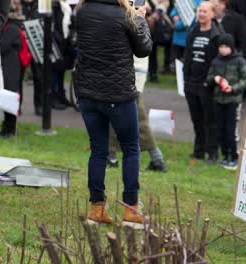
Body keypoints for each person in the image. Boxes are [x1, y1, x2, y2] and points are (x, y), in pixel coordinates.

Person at [74, 0, 152, 224]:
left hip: (87, 91)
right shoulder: (124, 15)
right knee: (130, 148)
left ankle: (96, 208)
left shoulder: (83, 11)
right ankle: (131, 208)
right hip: (118, 94)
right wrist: (141, 20)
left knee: (98, 150)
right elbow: (144, 49)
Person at [183, 1, 224, 162]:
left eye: (205, 11)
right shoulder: (193, 31)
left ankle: (212, 152)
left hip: (208, 85)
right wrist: (186, 79)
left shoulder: (217, 35)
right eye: (199, 11)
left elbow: (220, 61)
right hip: (191, 83)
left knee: (210, 120)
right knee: (197, 119)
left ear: (212, 14)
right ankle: (198, 150)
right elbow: (187, 56)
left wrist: (212, 81)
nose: (201, 14)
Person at [206, 33, 246, 170]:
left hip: (233, 101)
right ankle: (225, 155)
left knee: (231, 131)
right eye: (221, 47)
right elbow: (208, 78)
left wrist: (233, 88)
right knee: (220, 130)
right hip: (218, 100)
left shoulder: (239, 61)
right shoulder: (215, 61)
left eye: (226, 46)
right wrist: (215, 79)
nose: (223, 49)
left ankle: (235, 157)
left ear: (231, 47)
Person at [0, 19, 22, 137]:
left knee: (10, 96)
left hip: (10, 67)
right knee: (7, 96)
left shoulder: (11, 29)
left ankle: (10, 128)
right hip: (9, 66)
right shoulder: (10, 28)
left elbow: (1, 46)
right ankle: (7, 126)